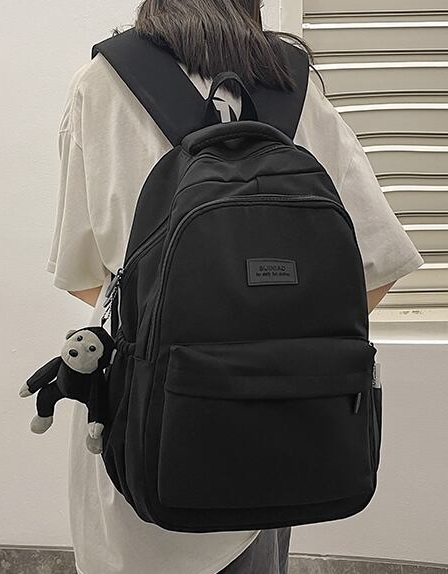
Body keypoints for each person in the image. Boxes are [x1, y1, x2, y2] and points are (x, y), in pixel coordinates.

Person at [45, 1, 424, 573]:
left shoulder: (101, 83)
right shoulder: (290, 86)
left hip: (143, 437)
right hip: (275, 438)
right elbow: (377, 267)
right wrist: (267, 353)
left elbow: (85, 278)